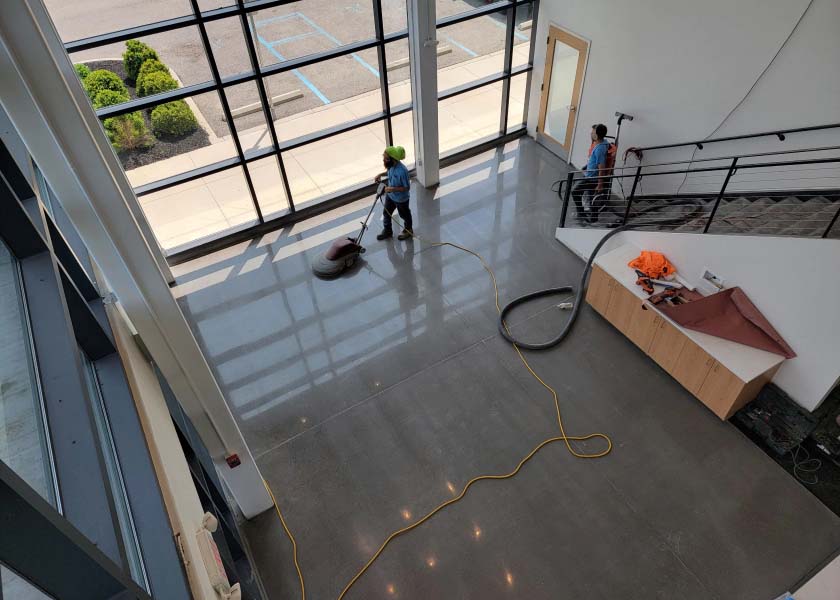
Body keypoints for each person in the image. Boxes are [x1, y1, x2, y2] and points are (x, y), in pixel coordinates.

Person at [572, 123, 610, 221]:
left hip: (592, 178)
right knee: (591, 197)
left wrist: (600, 184)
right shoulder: (602, 144)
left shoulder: (599, 149)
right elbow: (594, 161)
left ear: (596, 135)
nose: (590, 133)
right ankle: (593, 218)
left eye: (592, 132)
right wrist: (586, 166)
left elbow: (602, 167)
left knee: (575, 192)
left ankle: (581, 214)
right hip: (591, 175)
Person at [375, 146, 413, 241]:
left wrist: (392, 188)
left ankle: (409, 230)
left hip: (401, 199)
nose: (384, 160)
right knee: (386, 213)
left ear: (394, 159)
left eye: (386, 158)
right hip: (390, 196)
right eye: (384, 158)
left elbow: (407, 187)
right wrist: (380, 174)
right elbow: (388, 172)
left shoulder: (402, 171)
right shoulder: (391, 166)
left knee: (404, 215)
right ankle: (388, 230)